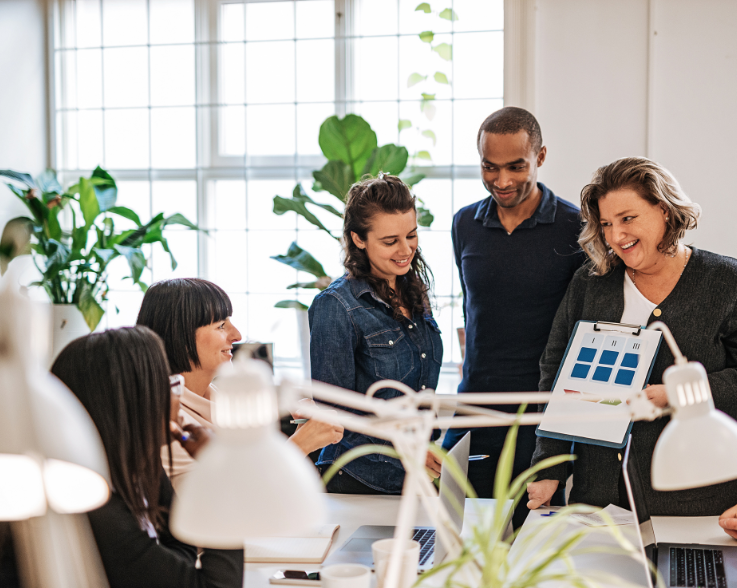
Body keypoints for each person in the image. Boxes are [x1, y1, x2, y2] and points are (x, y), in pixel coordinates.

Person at [527, 156, 737, 517]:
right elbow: (556, 374)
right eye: (606, 224)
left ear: (663, 210)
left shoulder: (727, 280)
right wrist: (549, 465)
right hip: (599, 494)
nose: (616, 236)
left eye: (628, 219)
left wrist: (677, 395)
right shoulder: (591, 282)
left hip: (696, 498)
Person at [442, 106, 584, 527]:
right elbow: (476, 309)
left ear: (540, 157)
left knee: (528, 540)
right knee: (460, 531)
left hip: (542, 413)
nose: (501, 181)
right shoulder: (464, 223)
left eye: (515, 167)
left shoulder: (575, 228)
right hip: (476, 405)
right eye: (489, 167)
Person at [51, 327, 243, 588]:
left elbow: (179, 544)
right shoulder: (100, 510)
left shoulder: (138, 467)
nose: (177, 395)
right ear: (134, 402)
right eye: (171, 384)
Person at [136, 278, 343, 490]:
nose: (237, 336)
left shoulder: (212, 398)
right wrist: (301, 444)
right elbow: (225, 502)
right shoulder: (164, 420)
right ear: (180, 335)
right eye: (221, 326)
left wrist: (300, 428)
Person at [308, 174, 443, 495]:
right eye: (390, 241)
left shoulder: (413, 291)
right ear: (358, 239)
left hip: (412, 477)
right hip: (357, 479)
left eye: (411, 235)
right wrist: (405, 449)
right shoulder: (336, 306)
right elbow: (333, 418)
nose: (405, 249)